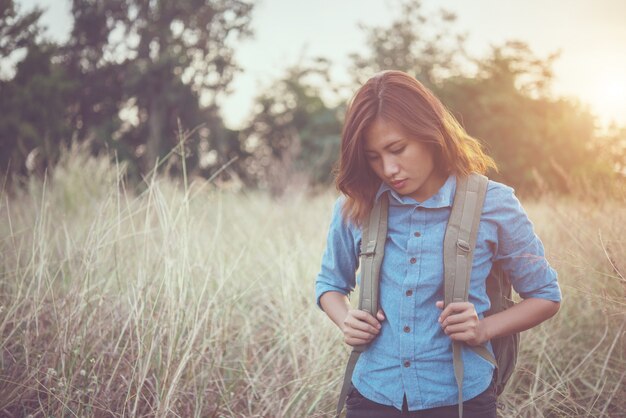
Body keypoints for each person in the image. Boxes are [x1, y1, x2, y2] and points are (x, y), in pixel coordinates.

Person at [314, 70, 562, 418]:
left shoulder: (494, 203)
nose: (388, 168)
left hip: (461, 398)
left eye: (397, 149)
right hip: (372, 392)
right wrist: (345, 320)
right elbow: (329, 284)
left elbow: (546, 296)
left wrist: (483, 328)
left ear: (431, 134)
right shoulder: (356, 204)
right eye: (373, 156)